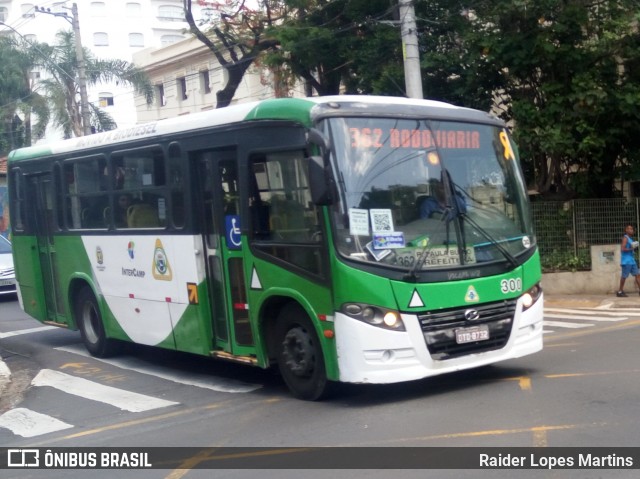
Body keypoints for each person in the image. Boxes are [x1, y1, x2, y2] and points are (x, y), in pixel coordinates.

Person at [616, 224, 640, 297]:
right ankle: (620, 291)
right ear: (626, 230)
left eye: (632, 229)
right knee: (624, 276)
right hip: (626, 261)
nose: (631, 230)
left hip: (632, 261)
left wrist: (634, 247)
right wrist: (631, 249)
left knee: (637, 275)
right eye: (629, 229)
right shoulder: (625, 238)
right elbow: (622, 249)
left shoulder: (631, 239)